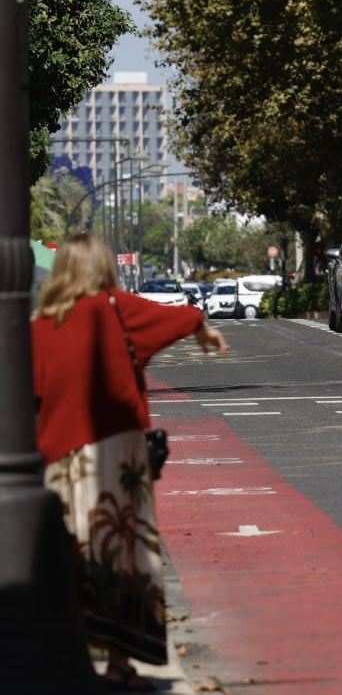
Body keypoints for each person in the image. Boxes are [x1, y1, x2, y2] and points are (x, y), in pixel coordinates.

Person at [31, 234, 228, 691]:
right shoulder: (117, 308)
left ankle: (70, 652)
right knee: (123, 556)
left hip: (59, 456)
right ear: (103, 268)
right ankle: (120, 661)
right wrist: (202, 330)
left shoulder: (39, 326)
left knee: (71, 554)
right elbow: (181, 316)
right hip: (119, 455)